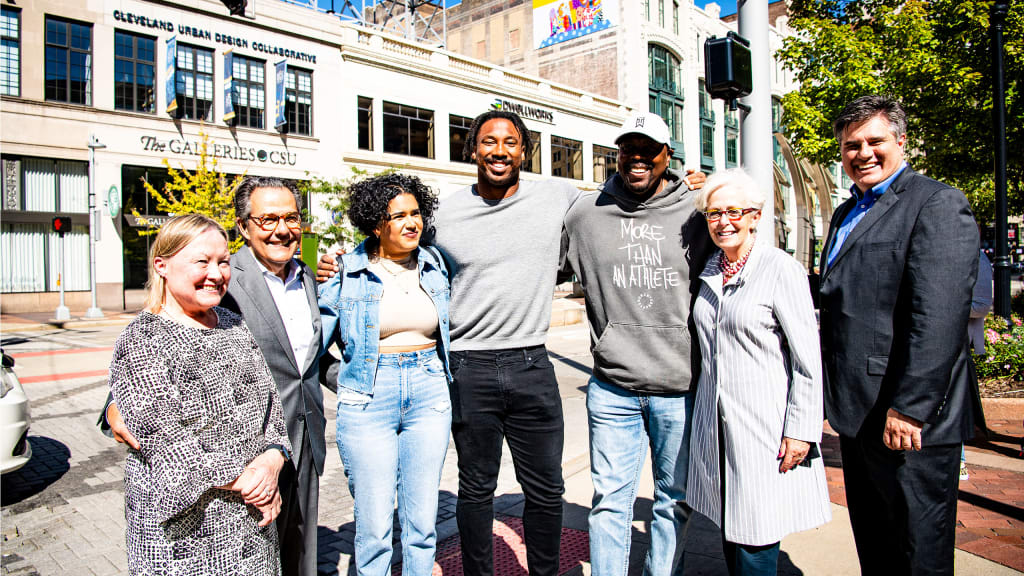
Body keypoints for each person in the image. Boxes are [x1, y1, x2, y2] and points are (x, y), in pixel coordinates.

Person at [319, 110, 707, 576]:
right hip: (467, 365)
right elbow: (397, 245)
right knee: (476, 488)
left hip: (531, 362)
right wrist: (347, 258)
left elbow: (630, 199)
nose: (499, 150)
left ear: (524, 150)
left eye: (510, 142)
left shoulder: (561, 197)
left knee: (546, 489)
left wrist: (690, 187)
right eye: (488, 141)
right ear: (473, 149)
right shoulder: (442, 212)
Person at [104, 176, 333, 576]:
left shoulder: (306, 276)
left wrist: (272, 457)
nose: (282, 229)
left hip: (294, 444)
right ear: (243, 226)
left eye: (292, 218)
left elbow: (307, 363)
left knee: (300, 554)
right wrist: (112, 407)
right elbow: (144, 388)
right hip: (207, 501)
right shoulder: (220, 284)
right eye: (268, 219)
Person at [818, 95, 981, 575]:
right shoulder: (846, 212)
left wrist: (910, 408)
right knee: (876, 542)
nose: (863, 153)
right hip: (860, 413)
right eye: (851, 145)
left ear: (901, 142)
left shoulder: (937, 203)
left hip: (910, 419)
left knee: (918, 551)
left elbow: (939, 316)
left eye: (874, 141)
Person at [560, 112, 712, 576]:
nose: (638, 157)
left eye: (650, 149)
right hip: (612, 387)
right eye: (629, 148)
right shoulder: (586, 214)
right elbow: (539, 265)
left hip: (680, 385)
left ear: (669, 156)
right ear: (618, 154)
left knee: (674, 499)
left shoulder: (698, 212)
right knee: (609, 501)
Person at [687, 169, 831, 575]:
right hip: (715, 427)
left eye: (734, 211)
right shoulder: (710, 269)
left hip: (764, 428)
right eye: (714, 213)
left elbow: (807, 357)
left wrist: (802, 429)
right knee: (730, 529)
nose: (723, 221)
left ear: (755, 216)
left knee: (756, 536)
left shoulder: (779, 268)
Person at [318, 173, 452, 576]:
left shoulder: (435, 264)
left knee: (422, 524)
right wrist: (348, 380)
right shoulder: (346, 271)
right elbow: (314, 345)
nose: (413, 223)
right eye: (399, 216)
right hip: (369, 397)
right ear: (376, 224)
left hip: (429, 390)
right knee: (374, 528)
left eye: (416, 213)